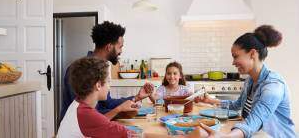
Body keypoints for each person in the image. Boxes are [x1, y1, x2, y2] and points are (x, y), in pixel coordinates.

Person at [57, 57, 214, 138]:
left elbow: (101, 123)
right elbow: (135, 135)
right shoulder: (86, 114)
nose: (110, 86)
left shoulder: (78, 105)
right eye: (108, 82)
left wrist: (119, 108)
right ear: (98, 85)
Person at [200, 25, 297, 138]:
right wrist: (211, 100)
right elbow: (236, 105)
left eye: (236, 56)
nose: (233, 62)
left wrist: (226, 137)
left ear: (252, 54)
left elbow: (255, 119)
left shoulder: (273, 86)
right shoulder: (250, 80)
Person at [60, 21, 154, 121]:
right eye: (120, 47)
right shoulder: (80, 71)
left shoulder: (100, 68)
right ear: (109, 47)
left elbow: (107, 103)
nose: (121, 51)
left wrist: (137, 97)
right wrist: (120, 111)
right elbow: (87, 115)